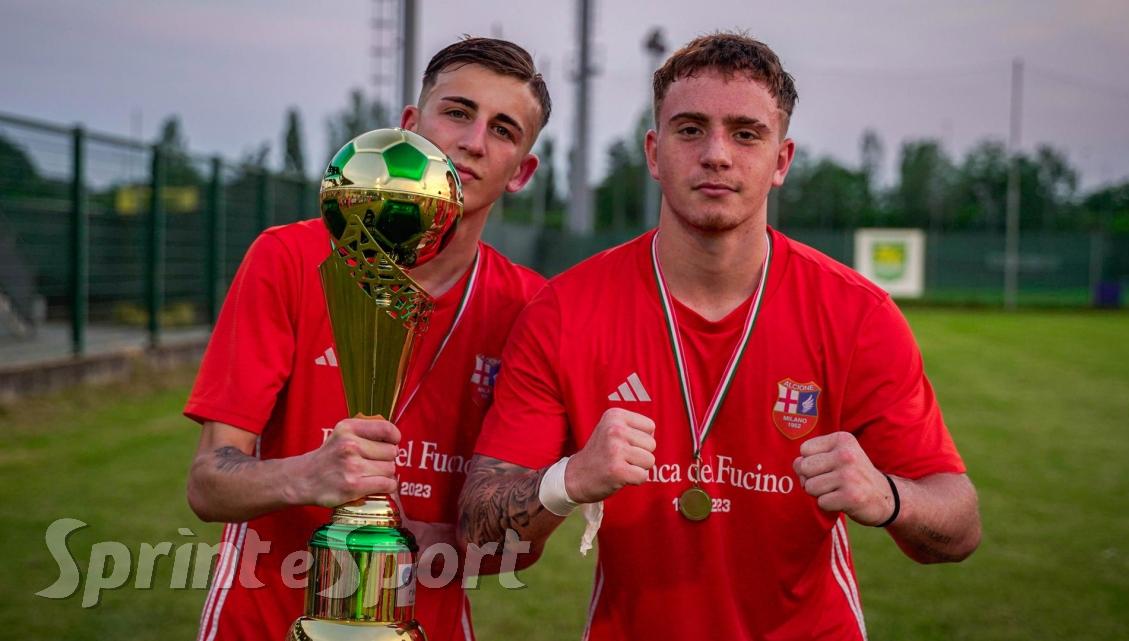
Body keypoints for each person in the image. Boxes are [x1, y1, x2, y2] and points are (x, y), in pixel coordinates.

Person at [458, 33, 981, 641]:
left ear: (781, 160)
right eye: (690, 130)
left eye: (746, 134)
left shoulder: (857, 315)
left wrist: (888, 497)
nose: (716, 155)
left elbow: (960, 527)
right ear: (654, 153)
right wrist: (567, 481)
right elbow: (478, 534)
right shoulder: (564, 312)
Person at [184, 37, 551, 641]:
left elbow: (514, 546)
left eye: (503, 130)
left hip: (422, 626)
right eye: (457, 112)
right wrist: (308, 475)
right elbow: (207, 483)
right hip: (264, 622)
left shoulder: (529, 307)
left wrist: (483, 531)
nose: (473, 141)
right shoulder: (290, 258)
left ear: (522, 172)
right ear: (410, 126)